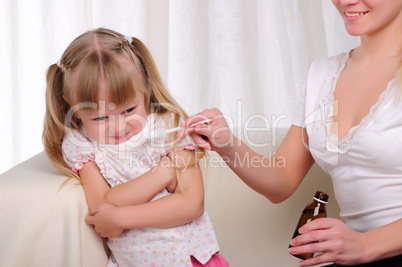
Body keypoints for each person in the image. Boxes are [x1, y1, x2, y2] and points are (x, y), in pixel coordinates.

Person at [178, 0, 402, 266]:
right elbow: (281, 182)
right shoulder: (323, 74)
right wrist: (227, 144)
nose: (346, 1)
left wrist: (366, 244)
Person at [43, 28, 228, 267]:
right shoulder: (82, 145)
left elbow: (191, 204)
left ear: (145, 88)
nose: (118, 126)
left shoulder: (167, 126)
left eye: (128, 110)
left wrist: (120, 216)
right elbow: (102, 206)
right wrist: (164, 172)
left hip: (192, 259)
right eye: (101, 118)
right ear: (73, 108)